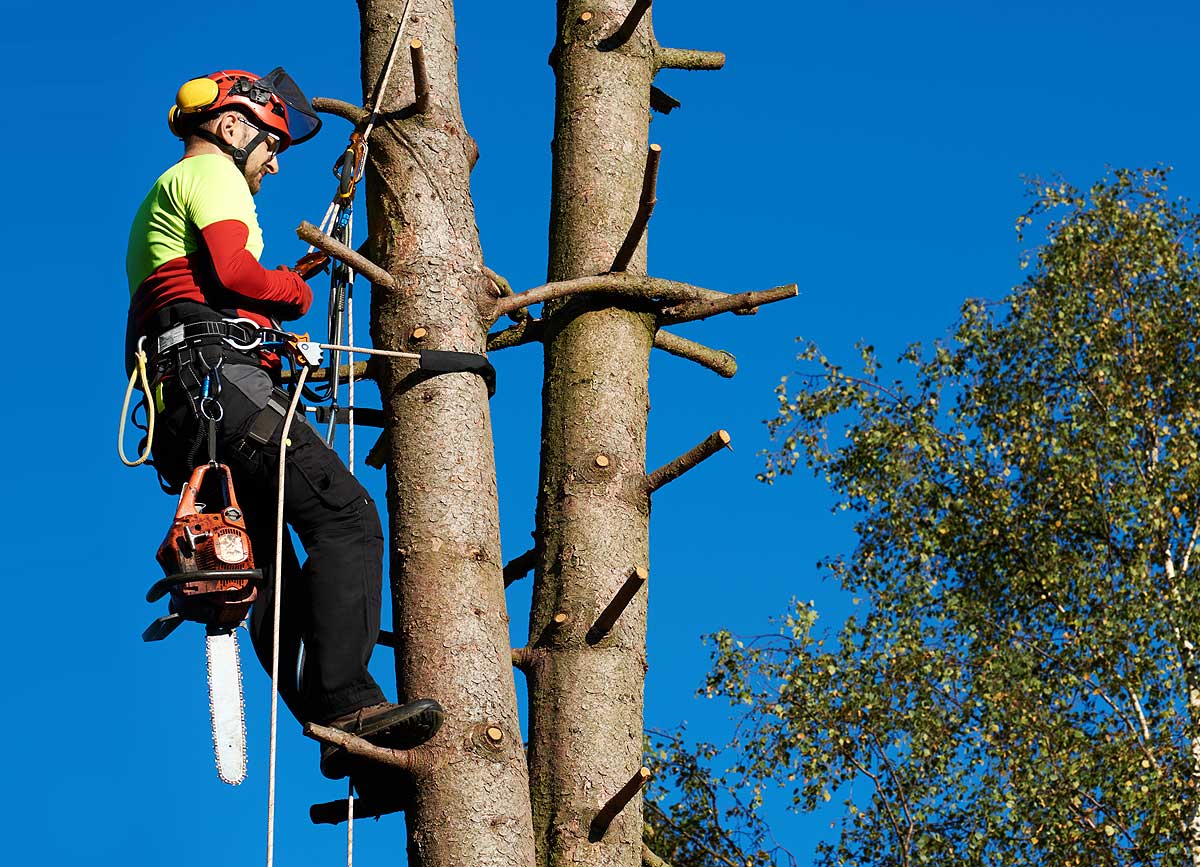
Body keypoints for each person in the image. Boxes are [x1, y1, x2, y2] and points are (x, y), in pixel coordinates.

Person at [125, 68, 442, 790]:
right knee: (345, 517)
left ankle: (340, 737)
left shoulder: (160, 205)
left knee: (267, 572)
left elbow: (203, 292)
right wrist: (293, 290)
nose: (276, 158)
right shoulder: (211, 175)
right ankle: (351, 707)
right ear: (232, 128)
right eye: (270, 141)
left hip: (184, 408)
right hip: (222, 390)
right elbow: (236, 272)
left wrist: (268, 310)